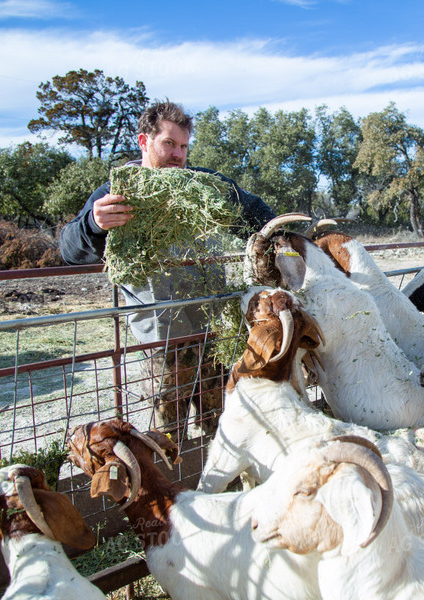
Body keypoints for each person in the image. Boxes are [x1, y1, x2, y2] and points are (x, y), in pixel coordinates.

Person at [59, 100, 276, 438]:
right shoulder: (118, 190)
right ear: (145, 141)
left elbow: (257, 213)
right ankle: (174, 484)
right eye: (169, 144)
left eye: (184, 146)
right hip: (163, 336)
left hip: (213, 329)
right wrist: (93, 223)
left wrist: (288, 235)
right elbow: (69, 248)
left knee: (221, 421)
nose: (178, 155)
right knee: (168, 429)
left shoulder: (204, 184)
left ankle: (220, 485)